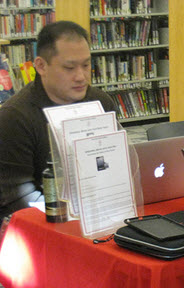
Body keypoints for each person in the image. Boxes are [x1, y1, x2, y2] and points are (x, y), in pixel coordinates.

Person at [0, 21, 116, 221]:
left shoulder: (101, 103)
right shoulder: (15, 118)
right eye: (69, 68)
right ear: (41, 66)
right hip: (43, 221)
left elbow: (114, 166)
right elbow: (18, 199)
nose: (81, 76)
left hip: (97, 212)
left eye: (86, 65)